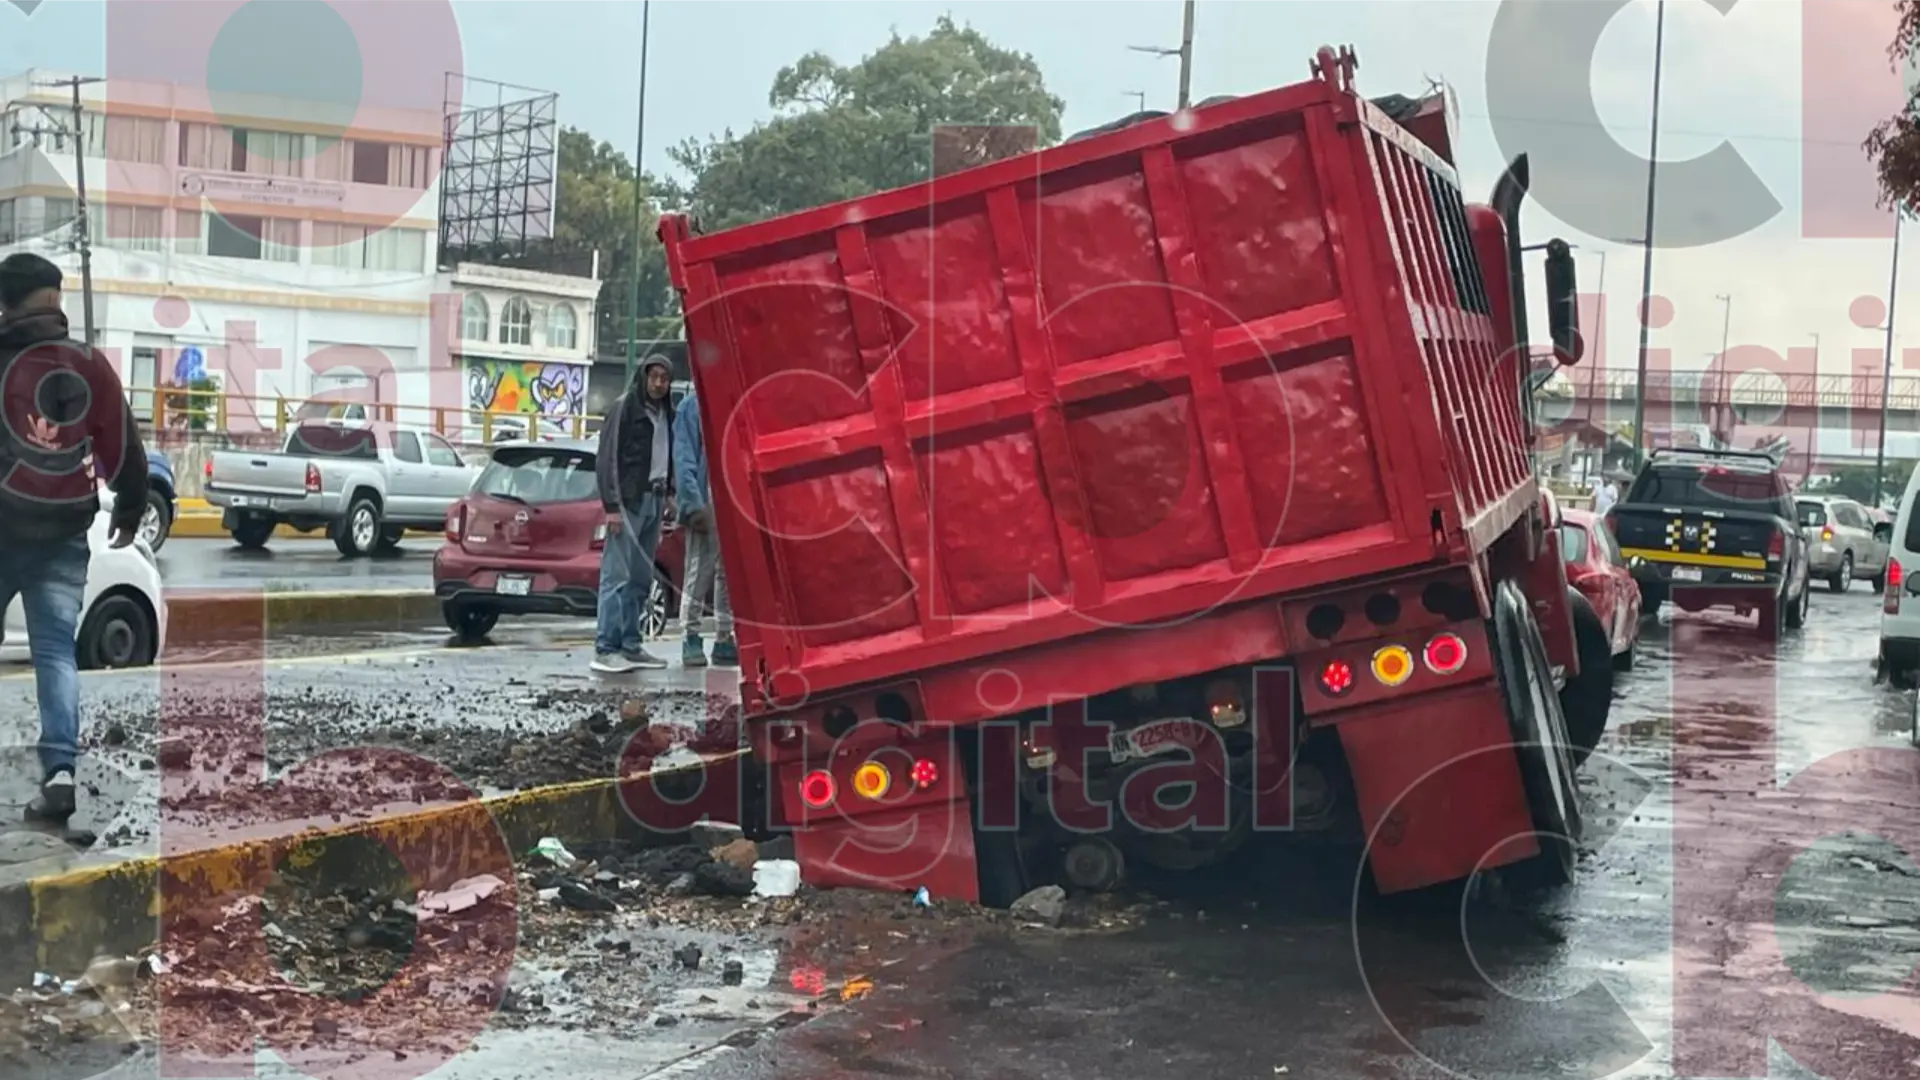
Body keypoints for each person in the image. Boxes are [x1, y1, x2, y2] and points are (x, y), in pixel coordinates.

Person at [0, 253, 147, 825]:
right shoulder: (89, 364)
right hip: (64, 529)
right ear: (55, 299)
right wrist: (130, 505)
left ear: (7, 303)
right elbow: (122, 439)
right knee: (56, 651)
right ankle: (61, 772)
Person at [592, 354, 674, 672]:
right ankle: (606, 647)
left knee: (640, 577)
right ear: (644, 377)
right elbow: (607, 459)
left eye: (664, 378)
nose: (658, 383)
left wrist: (669, 491)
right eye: (654, 377)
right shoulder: (625, 408)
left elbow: (665, 453)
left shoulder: (667, 412)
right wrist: (611, 507)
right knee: (616, 576)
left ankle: (631, 644)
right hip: (628, 502)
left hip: (653, 500)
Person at [671, 388, 736, 668]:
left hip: (724, 497)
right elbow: (683, 458)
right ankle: (692, 636)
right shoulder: (691, 407)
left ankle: (723, 636)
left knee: (725, 572)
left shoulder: (723, 401)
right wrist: (693, 503)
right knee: (701, 571)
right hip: (708, 497)